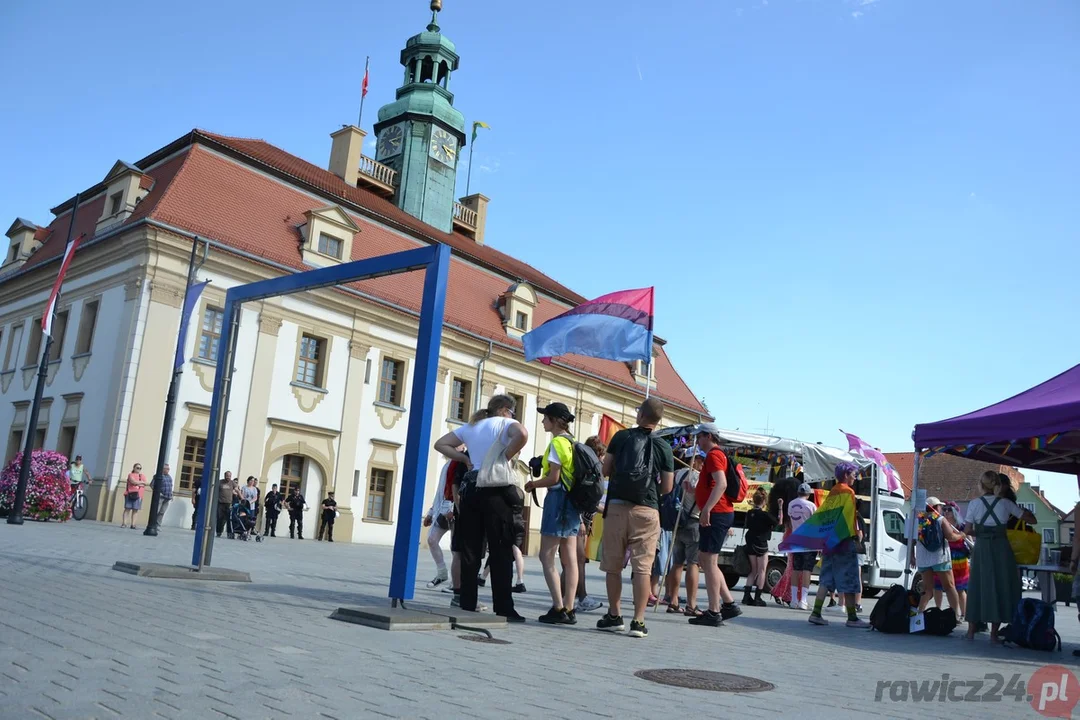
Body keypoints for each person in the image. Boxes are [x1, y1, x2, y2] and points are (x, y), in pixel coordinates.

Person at [434, 395, 529, 623]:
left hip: (471, 489)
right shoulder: (504, 423)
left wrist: (464, 459)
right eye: (512, 412)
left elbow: (440, 444)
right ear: (506, 410)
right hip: (496, 488)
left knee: (470, 550)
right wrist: (506, 454)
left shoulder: (471, 426)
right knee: (501, 549)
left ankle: (467, 603)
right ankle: (504, 608)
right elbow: (523, 434)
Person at [595, 398, 675, 639]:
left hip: (618, 506)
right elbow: (668, 487)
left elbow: (605, 470)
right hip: (648, 511)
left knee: (613, 566)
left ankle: (614, 615)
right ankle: (638, 622)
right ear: (658, 420)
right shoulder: (664, 447)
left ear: (640, 414)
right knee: (643, 568)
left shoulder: (621, 437)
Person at [524, 402, 582, 625]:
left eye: (545, 418)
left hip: (558, 500)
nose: (542, 421)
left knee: (546, 555)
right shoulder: (572, 442)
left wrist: (533, 484)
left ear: (555, 420)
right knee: (570, 558)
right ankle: (569, 607)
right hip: (573, 502)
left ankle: (558, 607)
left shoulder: (558, 443)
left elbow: (554, 478)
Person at [965, 470, 1036, 643]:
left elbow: (967, 530)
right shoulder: (1006, 504)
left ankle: (971, 631)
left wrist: (981, 533)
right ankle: (994, 634)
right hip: (1001, 549)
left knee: (978, 586)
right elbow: (1032, 520)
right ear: (998, 485)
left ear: (981, 485)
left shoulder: (974, 504)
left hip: (982, 549)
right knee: (1000, 585)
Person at [689, 423, 742, 628]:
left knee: (708, 561)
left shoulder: (714, 455)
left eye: (699, 437)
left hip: (717, 513)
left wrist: (706, 509)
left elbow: (721, 484)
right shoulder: (716, 455)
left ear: (708, 436)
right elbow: (712, 485)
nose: (698, 441)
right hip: (719, 512)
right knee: (706, 559)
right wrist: (694, 490)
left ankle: (714, 610)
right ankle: (728, 603)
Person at [808, 462, 870, 628]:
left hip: (829, 542)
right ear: (846, 475)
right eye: (853, 474)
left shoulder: (833, 492)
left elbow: (824, 516)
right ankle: (852, 617)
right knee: (850, 578)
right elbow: (848, 519)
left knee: (826, 579)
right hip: (843, 542)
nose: (855, 477)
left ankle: (815, 613)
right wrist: (855, 534)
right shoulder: (848, 492)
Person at [570, 436, 606, 613]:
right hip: (577, 521)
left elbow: (591, 504)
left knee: (575, 561)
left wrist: (606, 511)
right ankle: (579, 598)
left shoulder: (587, 470)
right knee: (576, 561)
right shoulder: (583, 471)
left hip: (582, 521)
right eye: (601, 455)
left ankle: (567, 598)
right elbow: (575, 497)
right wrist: (579, 521)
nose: (602, 460)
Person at [910, 497, 964, 613]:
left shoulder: (918, 521)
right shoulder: (940, 519)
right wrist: (961, 535)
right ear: (935, 507)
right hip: (940, 558)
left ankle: (919, 613)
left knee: (927, 589)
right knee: (949, 586)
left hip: (923, 559)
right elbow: (951, 537)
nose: (942, 509)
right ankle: (955, 615)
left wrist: (911, 557)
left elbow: (911, 541)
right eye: (940, 506)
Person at [665, 450, 703, 616]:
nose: (703, 465)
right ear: (694, 461)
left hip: (676, 522)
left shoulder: (676, 474)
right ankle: (691, 604)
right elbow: (702, 499)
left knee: (677, 563)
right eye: (701, 461)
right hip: (693, 521)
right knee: (693, 564)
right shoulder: (698, 477)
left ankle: (672, 600)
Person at [424, 455, 461, 588]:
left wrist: (454, 507)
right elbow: (441, 490)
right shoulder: (448, 463)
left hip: (456, 509)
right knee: (432, 540)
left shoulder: (463, 460)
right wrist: (431, 511)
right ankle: (442, 573)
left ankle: (455, 583)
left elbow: (459, 487)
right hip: (442, 507)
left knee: (455, 549)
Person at [934, 501, 971, 619]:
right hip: (944, 557)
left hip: (959, 561)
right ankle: (938, 610)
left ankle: (963, 613)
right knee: (938, 585)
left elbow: (969, 541)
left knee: (960, 588)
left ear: (954, 511)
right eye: (944, 509)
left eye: (949, 509)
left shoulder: (961, 526)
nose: (946, 512)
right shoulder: (940, 524)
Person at [743, 486, 777, 607]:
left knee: (753, 570)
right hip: (761, 544)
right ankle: (757, 597)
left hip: (750, 542)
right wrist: (781, 507)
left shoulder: (749, 513)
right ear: (764, 501)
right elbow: (779, 521)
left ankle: (746, 596)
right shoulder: (765, 515)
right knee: (762, 571)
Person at [787, 483, 818, 610]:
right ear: (808, 493)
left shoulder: (791, 504)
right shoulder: (811, 505)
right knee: (807, 570)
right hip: (809, 539)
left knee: (796, 569)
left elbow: (789, 521)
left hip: (796, 538)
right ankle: (803, 600)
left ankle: (794, 599)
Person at [121, 463, 149, 529]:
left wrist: (138, 483)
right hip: (130, 493)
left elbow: (145, 483)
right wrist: (139, 483)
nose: (138, 469)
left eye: (140, 468)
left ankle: (133, 524)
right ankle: (124, 523)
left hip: (139, 495)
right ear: (134, 468)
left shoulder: (142, 476)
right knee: (127, 509)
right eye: (137, 468)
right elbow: (133, 482)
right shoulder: (130, 475)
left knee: (135, 510)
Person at [154, 464, 175, 529]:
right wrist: (158, 493)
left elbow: (170, 487)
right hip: (161, 497)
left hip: (167, 497)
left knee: (162, 512)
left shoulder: (169, 477)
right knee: (156, 511)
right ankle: (152, 524)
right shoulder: (158, 476)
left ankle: (158, 525)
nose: (168, 470)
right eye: (167, 469)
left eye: (168, 469)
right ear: (163, 469)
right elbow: (152, 485)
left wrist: (171, 494)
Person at [216, 471, 235, 538]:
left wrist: (241, 497)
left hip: (228, 503)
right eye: (227, 476)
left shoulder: (232, 483)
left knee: (229, 519)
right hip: (220, 503)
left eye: (229, 476)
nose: (228, 477)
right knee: (219, 518)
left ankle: (229, 533)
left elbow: (237, 490)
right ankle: (219, 532)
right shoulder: (220, 482)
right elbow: (215, 490)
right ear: (224, 476)